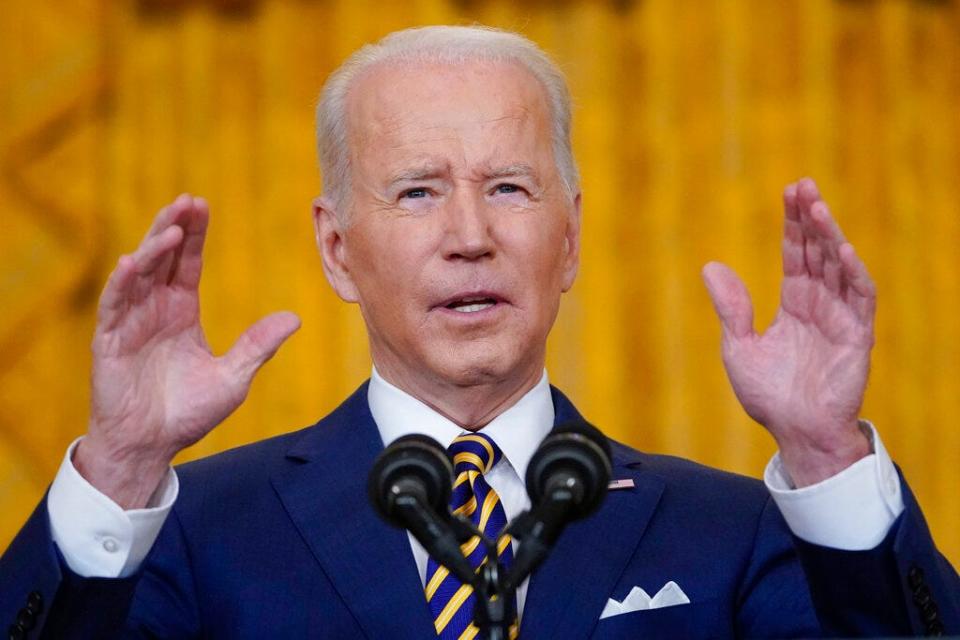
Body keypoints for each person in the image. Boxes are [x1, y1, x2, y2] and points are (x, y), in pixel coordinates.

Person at [1, 25, 957, 639]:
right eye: (417, 192)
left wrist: (828, 455)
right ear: (337, 250)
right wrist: (122, 468)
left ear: (570, 238)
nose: (470, 236)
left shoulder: (732, 530)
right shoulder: (193, 533)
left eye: (509, 187)